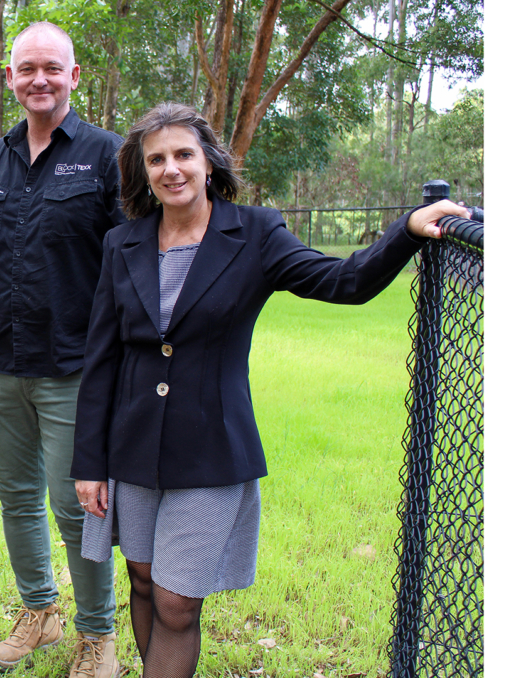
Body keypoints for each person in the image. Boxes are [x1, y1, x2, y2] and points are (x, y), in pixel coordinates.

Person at [70, 102, 470, 678]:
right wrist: (89, 462)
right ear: (143, 172)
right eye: (156, 159)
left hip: (209, 450)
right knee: (141, 582)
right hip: (129, 448)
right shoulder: (122, 243)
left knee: (178, 602)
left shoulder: (254, 233)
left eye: (183, 154)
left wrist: (405, 231)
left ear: (208, 162)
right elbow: (101, 358)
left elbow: (345, 281)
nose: (171, 169)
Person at [0, 21, 125, 678]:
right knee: (16, 495)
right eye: (27, 68)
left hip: (76, 367)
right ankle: (39, 612)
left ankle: (98, 635)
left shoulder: (108, 156)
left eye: (53, 67)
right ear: (10, 78)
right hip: (3, 362)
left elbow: (131, 262)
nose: (39, 79)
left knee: (76, 505)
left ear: (74, 77)